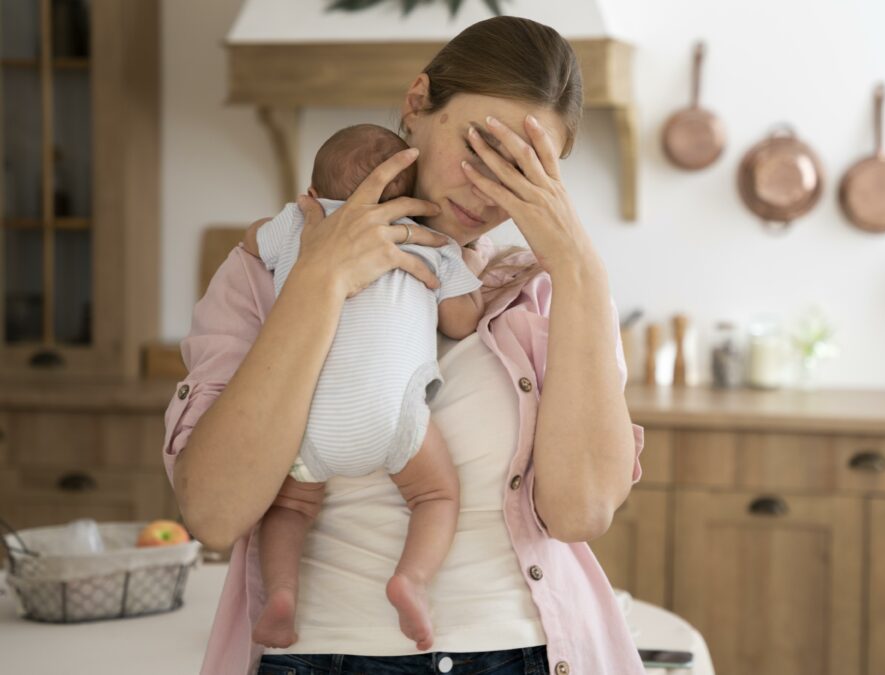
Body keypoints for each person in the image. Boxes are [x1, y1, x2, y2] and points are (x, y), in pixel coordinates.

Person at [162, 15, 646, 675]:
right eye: (479, 151)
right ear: (417, 105)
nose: (487, 191)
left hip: (526, 655)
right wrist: (319, 280)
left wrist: (578, 265)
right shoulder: (265, 271)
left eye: (523, 171)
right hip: (318, 659)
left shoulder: (546, 294)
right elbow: (215, 512)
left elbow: (580, 509)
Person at [245, 122, 488, 651]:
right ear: (414, 199)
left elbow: (248, 245)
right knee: (436, 495)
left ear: (312, 194)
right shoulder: (431, 242)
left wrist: (291, 221)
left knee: (288, 509)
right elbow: (462, 323)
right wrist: (467, 267)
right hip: (391, 415)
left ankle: (281, 597)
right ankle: (411, 581)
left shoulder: (298, 225)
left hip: (306, 416)